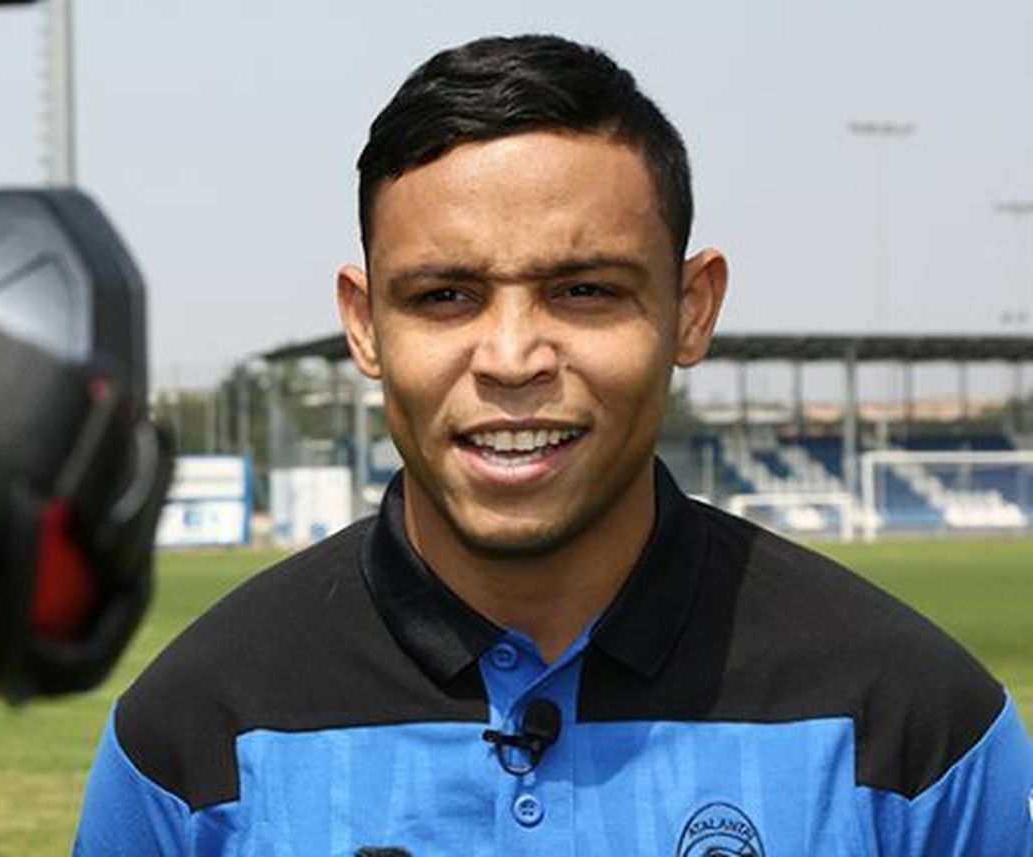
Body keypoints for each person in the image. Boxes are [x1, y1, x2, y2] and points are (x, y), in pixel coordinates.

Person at [74, 34, 1033, 855]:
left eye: (585, 291)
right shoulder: (187, 744)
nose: (512, 357)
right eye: (444, 295)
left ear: (691, 310)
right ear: (363, 325)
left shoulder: (919, 728)